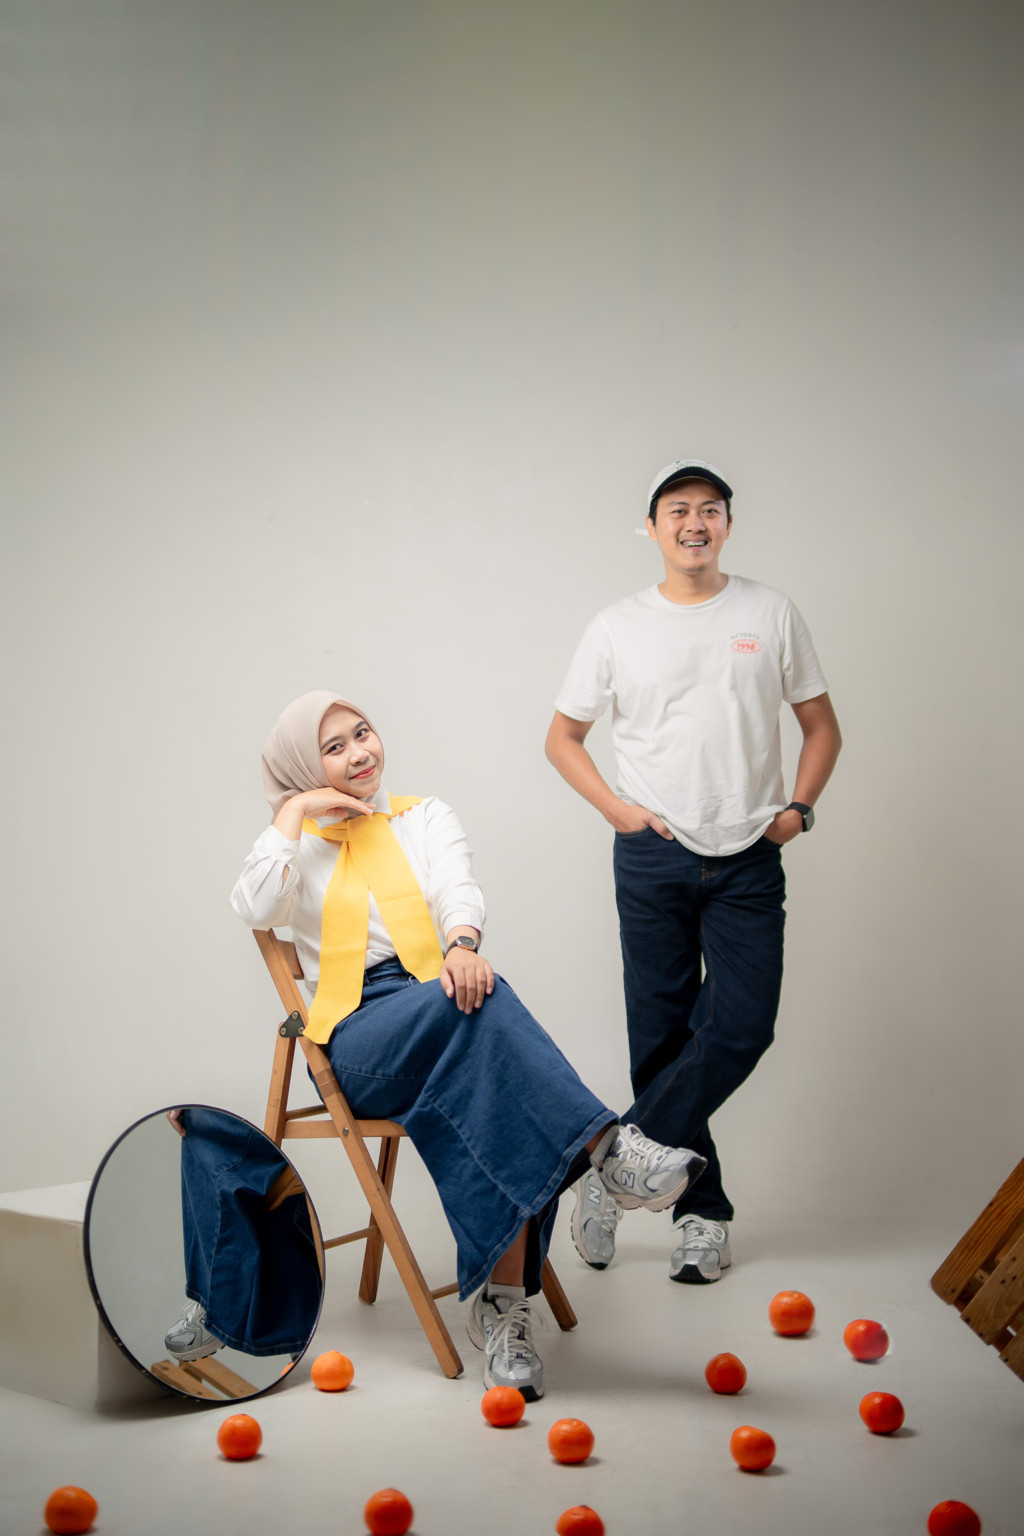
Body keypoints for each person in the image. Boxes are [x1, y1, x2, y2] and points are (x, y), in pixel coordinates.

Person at [229, 689, 707, 1399]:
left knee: (480, 1046)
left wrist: (460, 944)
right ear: (304, 766)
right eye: (333, 748)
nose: (359, 753)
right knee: (478, 1005)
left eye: (363, 732)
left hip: (442, 1006)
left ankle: (503, 1309)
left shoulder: (423, 816)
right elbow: (255, 906)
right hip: (361, 1038)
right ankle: (606, 1149)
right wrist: (294, 812)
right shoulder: (292, 848)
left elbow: (459, 888)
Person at [545, 458, 842, 1285]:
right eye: (677, 510)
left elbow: (821, 727)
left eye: (710, 509)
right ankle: (702, 1216)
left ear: (728, 525)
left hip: (749, 853)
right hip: (653, 854)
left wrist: (799, 810)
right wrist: (617, 810)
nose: (694, 523)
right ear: (652, 528)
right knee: (661, 1038)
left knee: (742, 1024)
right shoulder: (617, 626)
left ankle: (609, 1165)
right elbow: (562, 738)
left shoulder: (769, 613)